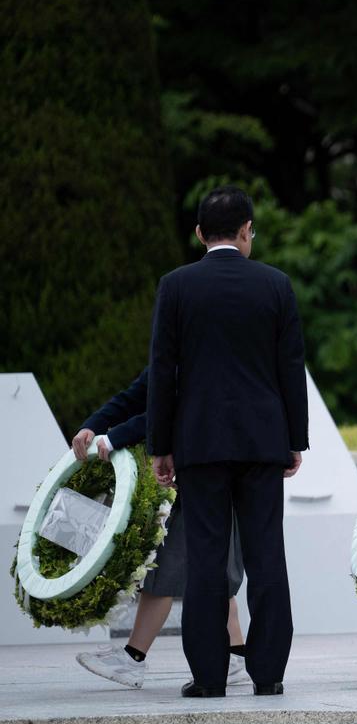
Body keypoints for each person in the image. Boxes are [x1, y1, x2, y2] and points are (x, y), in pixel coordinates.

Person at [147, 185, 307, 698]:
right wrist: (295, 440)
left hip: (199, 443)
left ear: (198, 233)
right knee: (266, 556)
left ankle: (210, 675)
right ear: (246, 232)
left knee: (206, 559)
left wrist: (160, 445)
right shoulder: (276, 285)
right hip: (263, 442)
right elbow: (290, 369)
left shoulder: (175, 286)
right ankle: (269, 673)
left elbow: (162, 373)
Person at [71, 369, 248, 689]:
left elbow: (174, 412)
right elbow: (133, 397)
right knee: (216, 571)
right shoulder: (174, 353)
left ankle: (132, 659)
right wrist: (92, 426)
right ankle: (235, 657)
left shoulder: (199, 351)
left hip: (206, 470)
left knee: (163, 571)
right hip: (200, 472)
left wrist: (112, 438)